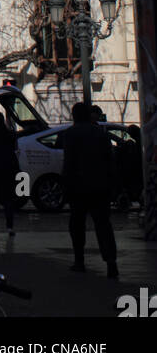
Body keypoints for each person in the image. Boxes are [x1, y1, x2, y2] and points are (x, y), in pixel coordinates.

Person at [61, 102, 119, 278]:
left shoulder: (70, 134)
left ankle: (80, 261)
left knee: (77, 224)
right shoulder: (100, 134)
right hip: (100, 186)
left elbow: (68, 162)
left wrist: (66, 186)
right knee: (103, 225)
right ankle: (111, 262)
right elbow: (110, 161)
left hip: (78, 186)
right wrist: (112, 185)